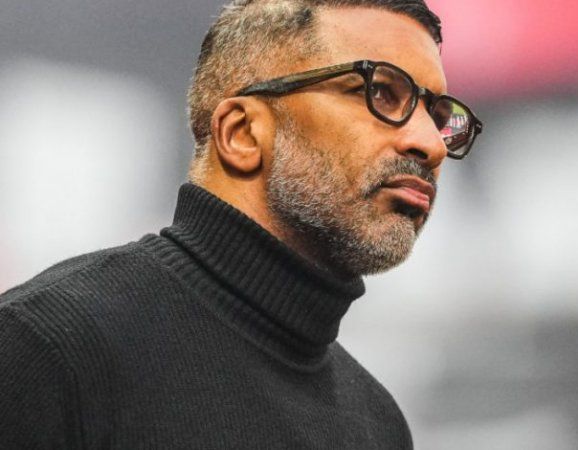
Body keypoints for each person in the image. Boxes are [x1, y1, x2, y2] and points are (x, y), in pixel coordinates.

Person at [0, 0, 482, 447]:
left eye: (439, 116)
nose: (432, 145)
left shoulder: (377, 422)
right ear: (242, 134)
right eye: (380, 92)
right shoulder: (45, 348)